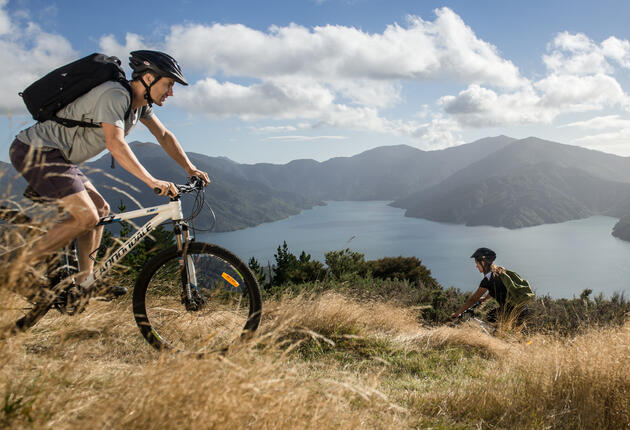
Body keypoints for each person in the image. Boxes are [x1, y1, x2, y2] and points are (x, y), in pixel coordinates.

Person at [9, 50, 210, 295]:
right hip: (36, 151)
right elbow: (115, 144)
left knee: (101, 212)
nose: (171, 92)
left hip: (60, 159)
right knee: (86, 218)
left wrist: (190, 168)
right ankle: (15, 270)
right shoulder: (115, 95)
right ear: (148, 78)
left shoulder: (139, 106)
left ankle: (85, 283)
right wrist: (151, 180)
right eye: (168, 84)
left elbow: (164, 135)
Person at [451, 247, 529, 325]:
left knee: (490, 318)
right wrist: (485, 298)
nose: (476, 266)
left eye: (477, 263)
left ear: (483, 263)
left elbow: (473, 299)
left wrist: (457, 314)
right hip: (522, 307)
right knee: (498, 324)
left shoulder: (487, 280)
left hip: (511, 310)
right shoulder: (499, 271)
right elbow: (497, 288)